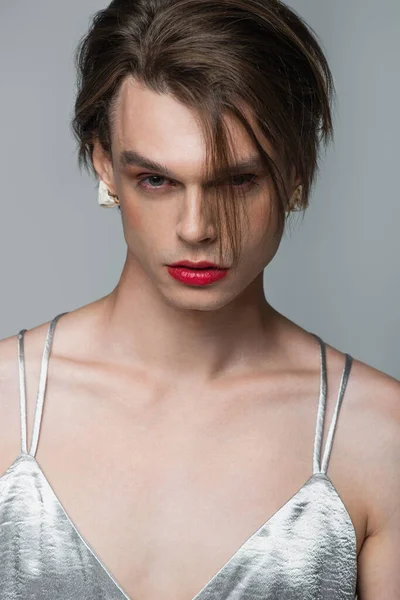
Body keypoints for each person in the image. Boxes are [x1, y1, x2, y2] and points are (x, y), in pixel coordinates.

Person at [0, 0, 399, 598]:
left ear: (296, 172)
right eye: (156, 180)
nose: (196, 227)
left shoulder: (380, 438)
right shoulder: (6, 404)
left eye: (239, 180)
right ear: (104, 164)